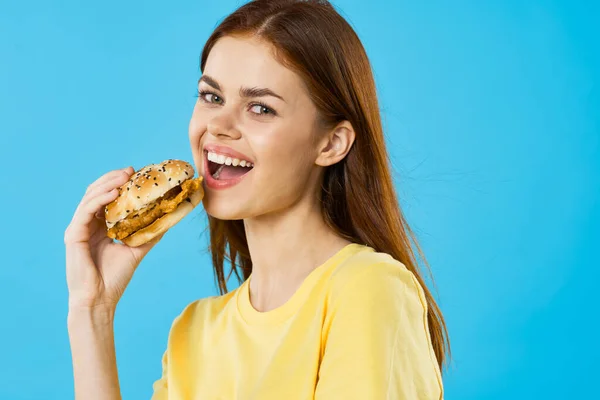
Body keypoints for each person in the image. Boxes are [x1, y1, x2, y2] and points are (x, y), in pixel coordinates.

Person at [65, 0, 450, 398]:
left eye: (261, 108)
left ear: (332, 143)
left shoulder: (367, 291)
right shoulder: (194, 332)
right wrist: (91, 312)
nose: (218, 125)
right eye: (212, 97)